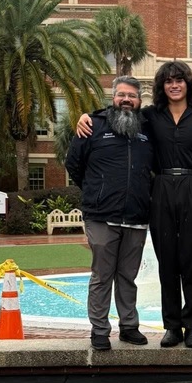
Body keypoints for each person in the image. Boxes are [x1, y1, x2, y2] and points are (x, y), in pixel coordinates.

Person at [77, 61, 192, 348]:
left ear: (189, 85)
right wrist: (84, 116)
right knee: (167, 264)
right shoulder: (150, 117)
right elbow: (115, 116)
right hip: (161, 189)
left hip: (191, 188)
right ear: (162, 87)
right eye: (168, 81)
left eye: (179, 80)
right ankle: (172, 327)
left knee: (191, 262)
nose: (174, 85)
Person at [65, 76, 154, 351]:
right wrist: (97, 190)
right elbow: (74, 165)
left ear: (140, 101)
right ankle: (100, 330)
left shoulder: (148, 129)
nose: (126, 100)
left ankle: (129, 326)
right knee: (102, 275)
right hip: (101, 216)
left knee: (128, 275)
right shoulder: (93, 126)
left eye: (132, 96)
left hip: (137, 216)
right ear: (113, 97)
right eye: (121, 95)